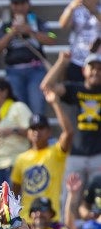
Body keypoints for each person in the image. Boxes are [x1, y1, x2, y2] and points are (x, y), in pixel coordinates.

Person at [10, 90, 72, 221]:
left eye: (41, 128)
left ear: (49, 131)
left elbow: (69, 132)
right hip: (27, 221)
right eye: (33, 128)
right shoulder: (21, 158)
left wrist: (55, 103)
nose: (37, 132)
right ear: (28, 133)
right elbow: (14, 192)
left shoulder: (56, 152)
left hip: (51, 219)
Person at [40, 51, 101, 183]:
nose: (96, 72)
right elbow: (46, 86)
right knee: (70, 200)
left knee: (97, 202)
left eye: (99, 69)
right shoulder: (74, 89)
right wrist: (61, 62)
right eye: (92, 68)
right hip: (75, 155)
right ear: (84, 70)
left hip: (98, 157)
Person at [0, 0, 54, 115]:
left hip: (36, 71)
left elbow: (52, 38)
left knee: (37, 107)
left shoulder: (37, 22)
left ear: (28, 4)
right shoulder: (6, 26)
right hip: (14, 72)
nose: (19, 7)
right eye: (16, 4)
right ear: (11, 5)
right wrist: (12, 33)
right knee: (19, 109)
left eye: (22, 3)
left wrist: (31, 32)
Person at [57, 0, 101, 82]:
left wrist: (93, 9)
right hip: (77, 60)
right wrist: (71, 7)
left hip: (98, 62)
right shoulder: (75, 8)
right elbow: (62, 25)